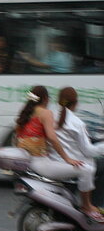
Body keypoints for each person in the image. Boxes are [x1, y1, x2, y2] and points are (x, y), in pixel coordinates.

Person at [15, 86, 102, 222]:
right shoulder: (46, 113)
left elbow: (21, 139)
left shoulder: (26, 114)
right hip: (43, 164)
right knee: (87, 170)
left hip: (32, 163)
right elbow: (52, 137)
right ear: (45, 99)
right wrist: (67, 158)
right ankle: (87, 206)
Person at [55, 87, 104, 209]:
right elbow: (88, 151)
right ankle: (94, 206)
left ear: (59, 101)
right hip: (73, 163)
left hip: (56, 161)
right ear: (76, 103)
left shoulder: (51, 117)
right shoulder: (77, 123)